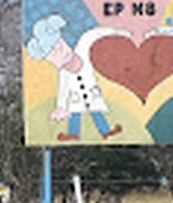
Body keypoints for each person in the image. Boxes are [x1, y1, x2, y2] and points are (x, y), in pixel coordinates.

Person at [26, 14, 122, 142]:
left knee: (95, 110)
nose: (59, 53)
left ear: (63, 41)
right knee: (75, 113)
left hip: (91, 92)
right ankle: (73, 133)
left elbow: (92, 35)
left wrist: (116, 30)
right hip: (75, 98)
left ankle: (105, 131)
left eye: (58, 47)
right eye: (52, 55)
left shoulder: (82, 48)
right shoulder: (63, 74)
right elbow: (63, 90)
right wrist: (61, 107)